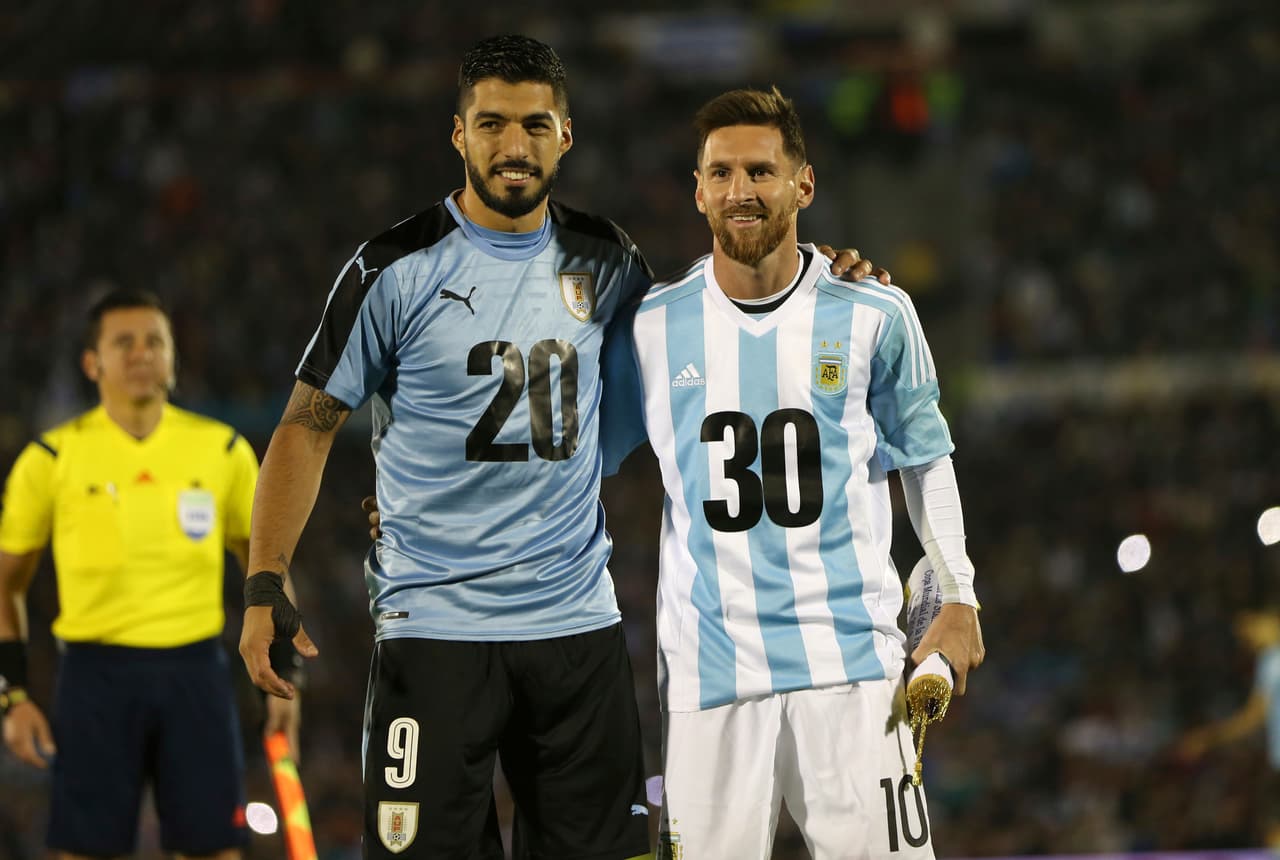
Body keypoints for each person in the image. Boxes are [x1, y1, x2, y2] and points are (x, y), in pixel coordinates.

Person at [239, 35, 880, 859]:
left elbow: (714, 337)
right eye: (493, 124)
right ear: (459, 135)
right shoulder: (392, 268)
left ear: (565, 136)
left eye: (535, 125)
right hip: (433, 632)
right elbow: (307, 424)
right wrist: (265, 577)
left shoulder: (609, 262)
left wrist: (828, 278)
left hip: (576, 632)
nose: (514, 146)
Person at [599, 87, 985, 859]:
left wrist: (960, 593)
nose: (741, 189)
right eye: (723, 172)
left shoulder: (875, 311)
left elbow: (925, 459)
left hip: (852, 669)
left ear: (802, 185)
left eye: (761, 171)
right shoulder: (648, 325)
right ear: (699, 189)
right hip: (709, 681)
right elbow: (578, 464)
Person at [0, 288, 299, 860]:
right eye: (124, 342)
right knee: (84, 852)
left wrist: (284, 669)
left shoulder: (222, 450)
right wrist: (12, 695)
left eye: (155, 341)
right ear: (93, 363)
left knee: (215, 849)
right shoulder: (51, 459)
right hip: (94, 676)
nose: (142, 353)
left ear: (174, 357)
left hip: (195, 673)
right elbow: (5, 585)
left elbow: (267, 566)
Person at [1178, 608, 1280, 847]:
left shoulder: (1273, 660)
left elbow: (1252, 718)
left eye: (1250, 626)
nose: (1249, 637)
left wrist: (1207, 739)